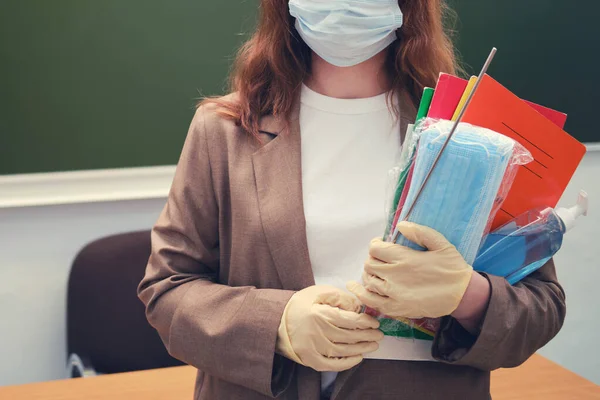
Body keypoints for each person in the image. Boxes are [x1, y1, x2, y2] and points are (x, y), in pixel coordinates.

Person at [138, 1, 566, 399]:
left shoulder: (475, 136)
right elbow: (167, 291)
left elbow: (541, 307)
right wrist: (278, 323)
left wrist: (465, 295)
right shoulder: (224, 130)